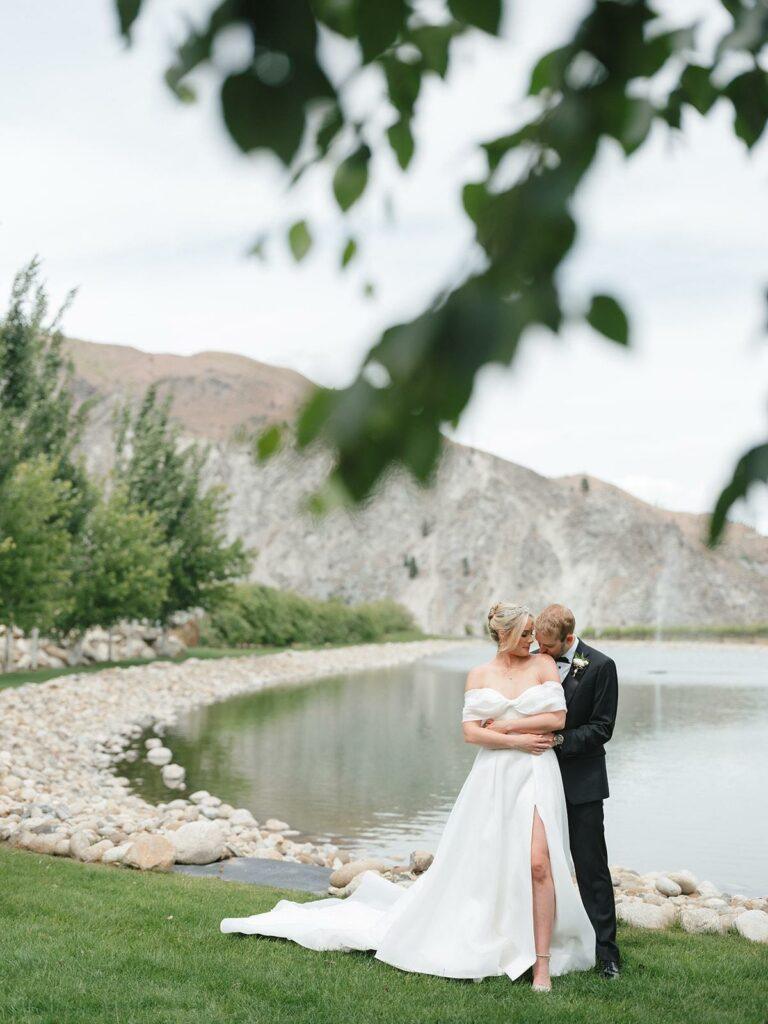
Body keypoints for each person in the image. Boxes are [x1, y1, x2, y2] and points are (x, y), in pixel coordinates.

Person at [219, 602, 595, 991]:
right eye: (526, 633)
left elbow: (557, 719)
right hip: (494, 774)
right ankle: (494, 930)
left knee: (538, 862)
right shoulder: (479, 674)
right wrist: (513, 739)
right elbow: (470, 733)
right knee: (488, 856)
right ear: (504, 633)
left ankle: (542, 966)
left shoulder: (543, 667)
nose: (533, 640)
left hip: (535, 771)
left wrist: (504, 724)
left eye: (534, 632)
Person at [534, 604, 620, 979]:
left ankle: (607, 953)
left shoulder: (601, 666)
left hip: (581, 782)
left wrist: (556, 739)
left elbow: (602, 729)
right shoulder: (535, 660)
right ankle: (535, 944)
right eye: (538, 643)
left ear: (569, 639)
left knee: (591, 868)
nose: (542, 652)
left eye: (549, 646)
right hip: (534, 777)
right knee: (535, 864)